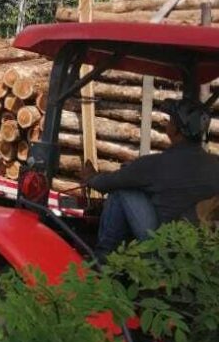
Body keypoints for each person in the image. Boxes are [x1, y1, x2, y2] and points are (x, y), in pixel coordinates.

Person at [83, 98, 219, 260]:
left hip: (162, 247)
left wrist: (90, 177)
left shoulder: (155, 164)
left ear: (175, 130)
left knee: (121, 190)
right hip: (198, 247)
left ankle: (103, 257)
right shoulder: (215, 164)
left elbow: (107, 184)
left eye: (170, 121)